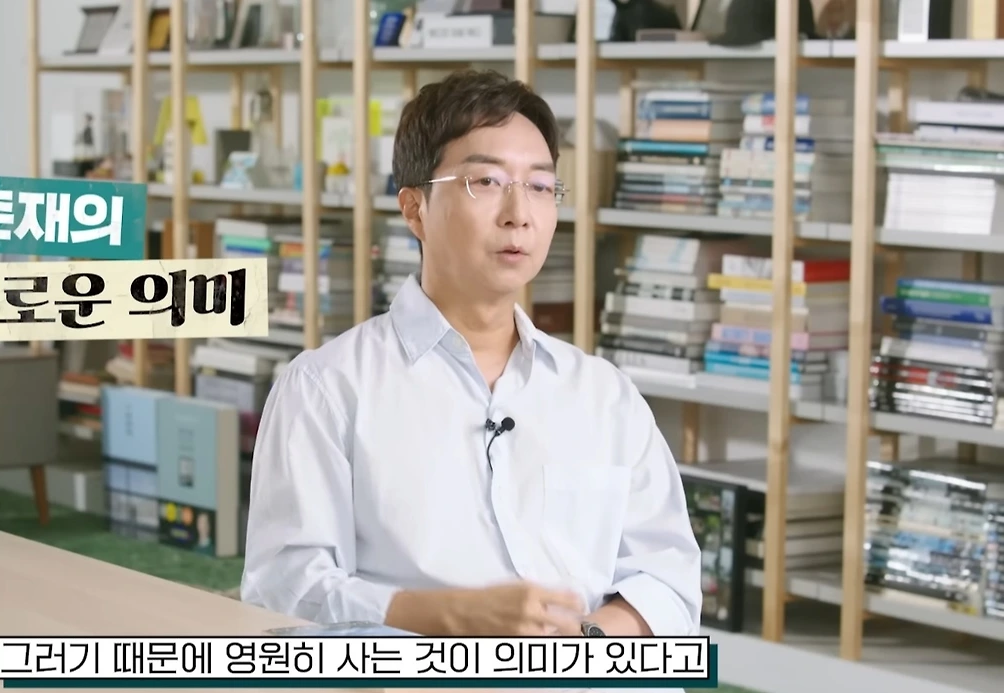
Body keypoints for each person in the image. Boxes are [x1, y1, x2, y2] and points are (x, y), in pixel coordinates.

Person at [241, 69, 701, 641]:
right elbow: (284, 591)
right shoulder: (326, 387)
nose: (519, 213)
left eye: (540, 186)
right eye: (485, 181)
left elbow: (668, 579)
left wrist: (581, 644)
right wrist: (451, 619)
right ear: (415, 209)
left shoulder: (605, 395)